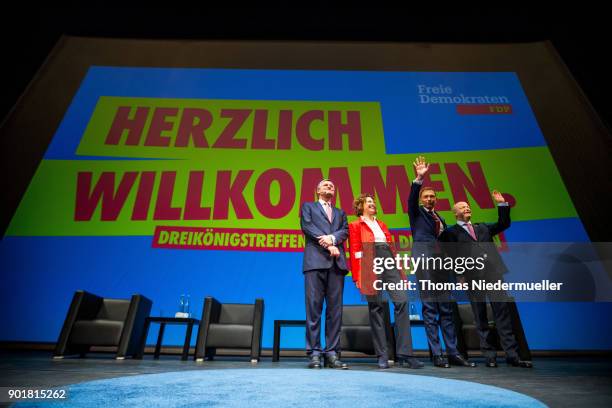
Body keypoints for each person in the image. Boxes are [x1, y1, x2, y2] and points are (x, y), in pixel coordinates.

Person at [440, 191, 533, 368]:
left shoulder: (482, 227)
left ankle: (512, 355)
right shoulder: (450, 233)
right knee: (480, 315)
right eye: (462, 207)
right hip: (472, 277)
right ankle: (489, 355)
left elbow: (503, 223)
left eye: (468, 206)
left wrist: (502, 204)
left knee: (502, 314)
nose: (467, 207)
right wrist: (459, 275)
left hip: (493, 274)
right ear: (455, 213)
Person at [408, 156, 476, 368]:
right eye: (426, 196)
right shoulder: (416, 212)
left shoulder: (441, 219)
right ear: (421, 200)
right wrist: (419, 178)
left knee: (446, 308)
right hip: (425, 263)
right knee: (429, 308)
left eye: (432, 196)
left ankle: (453, 352)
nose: (429, 199)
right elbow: (411, 198)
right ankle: (437, 354)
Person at [348, 193, 424, 369]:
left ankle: (406, 354)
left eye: (373, 202)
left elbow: (393, 250)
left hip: (388, 261)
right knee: (376, 308)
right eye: (369, 202)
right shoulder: (354, 225)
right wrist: (358, 275)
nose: (373, 204)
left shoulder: (382, 224)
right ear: (361, 207)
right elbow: (355, 251)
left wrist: (401, 273)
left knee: (402, 301)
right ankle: (382, 355)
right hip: (369, 264)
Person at [300, 179, 349, 369]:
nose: (330, 187)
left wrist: (332, 238)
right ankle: (314, 353)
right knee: (314, 309)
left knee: (335, 311)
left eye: (332, 186)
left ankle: (332, 354)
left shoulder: (340, 213)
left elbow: (345, 231)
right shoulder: (308, 207)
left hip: (336, 265)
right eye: (326, 185)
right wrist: (330, 245)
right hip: (315, 263)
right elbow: (307, 226)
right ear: (317, 190)